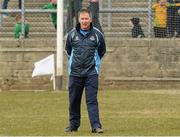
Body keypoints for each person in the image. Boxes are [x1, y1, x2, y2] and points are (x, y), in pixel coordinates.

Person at [65, 8, 106, 133]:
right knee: (74, 100)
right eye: (82, 19)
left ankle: (96, 126)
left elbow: (102, 51)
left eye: (86, 18)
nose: (84, 21)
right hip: (75, 73)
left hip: (91, 73)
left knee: (92, 100)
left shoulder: (97, 34)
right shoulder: (71, 34)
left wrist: (94, 65)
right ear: (78, 20)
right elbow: (68, 51)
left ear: (90, 19)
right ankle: (73, 125)